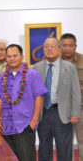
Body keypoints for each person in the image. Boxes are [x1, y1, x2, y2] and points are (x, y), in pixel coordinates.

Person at [0, 44, 47, 161]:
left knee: (26, 158)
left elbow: (39, 97)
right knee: (9, 159)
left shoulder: (32, 74)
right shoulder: (3, 76)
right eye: (9, 56)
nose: (12, 59)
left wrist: (33, 121)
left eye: (15, 55)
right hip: (6, 127)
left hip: (24, 126)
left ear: (22, 57)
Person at [34, 37, 81, 161]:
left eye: (53, 46)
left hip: (62, 113)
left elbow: (76, 92)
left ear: (59, 49)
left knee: (64, 149)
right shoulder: (37, 67)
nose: (49, 49)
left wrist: (75, 113)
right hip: (43, 113)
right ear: (43, 49)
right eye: (46, 46)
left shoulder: (69, 67)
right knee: (44, 148)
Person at [60, 33, 83, 161]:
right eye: (64, 45)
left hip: (81, 108)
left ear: (75, 46)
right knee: (64, 143)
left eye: (70, 45)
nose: (67, 48)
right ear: (60, 46)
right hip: (62, 110)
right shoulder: (55, 61)